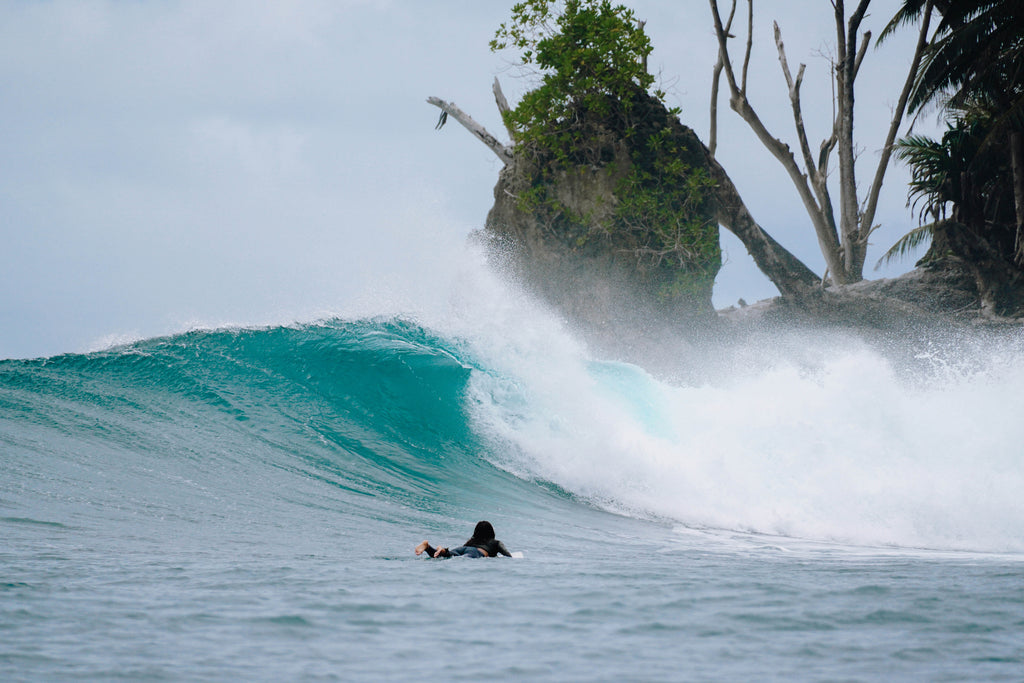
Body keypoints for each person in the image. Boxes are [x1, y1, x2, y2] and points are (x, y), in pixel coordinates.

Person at [415, 520, 512, 558]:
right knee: (461, 560)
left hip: (462, 548)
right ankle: (441, 550)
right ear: (491, 532)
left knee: (448, 555)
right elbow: (508, 556)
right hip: (476, 553)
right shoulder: (496, 543)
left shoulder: (472, 540)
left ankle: (430, 547)